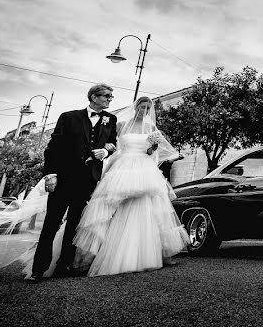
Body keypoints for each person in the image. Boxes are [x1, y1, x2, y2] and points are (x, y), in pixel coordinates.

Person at [72, 96, 188, 277]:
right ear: (136, 107)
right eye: (142, 107)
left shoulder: (151, 128)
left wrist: (153, 147)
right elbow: (113, 146)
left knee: (147, 205)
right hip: (123, 165)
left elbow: (150, 152)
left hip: (144, 167)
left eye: (148, 108)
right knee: (112, 204)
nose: (145, 111)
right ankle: (101, 252)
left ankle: (144, 252)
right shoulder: (121, 124)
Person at [25, 84, 119, 281]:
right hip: (64, 178)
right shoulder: (69, 117)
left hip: (88, 180)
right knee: (51, 224)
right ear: (94, 97)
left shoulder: (111, 119)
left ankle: (63, 266)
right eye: (107, 96)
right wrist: (50, 174)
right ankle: (38, 269)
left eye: (111, 96)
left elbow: (112, 144)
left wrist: (106, 151)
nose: (110, 99)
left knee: (74, 225)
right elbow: (53, 148)